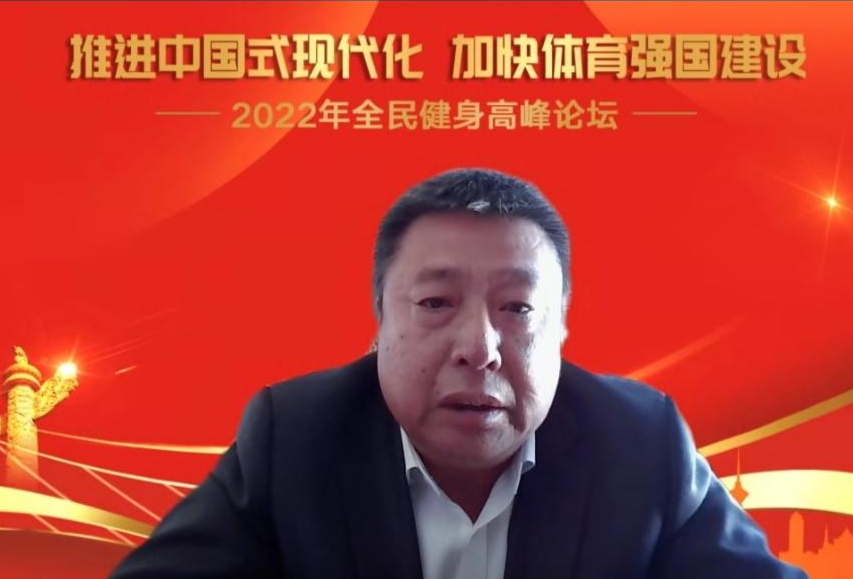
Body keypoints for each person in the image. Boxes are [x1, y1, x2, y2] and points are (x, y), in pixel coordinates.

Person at [109, 168, 806, 579]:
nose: (480, 347)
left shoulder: (640, 441)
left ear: (562, 328)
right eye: (436, 303)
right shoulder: (294, 437)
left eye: (517, 308)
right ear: (380, 319)